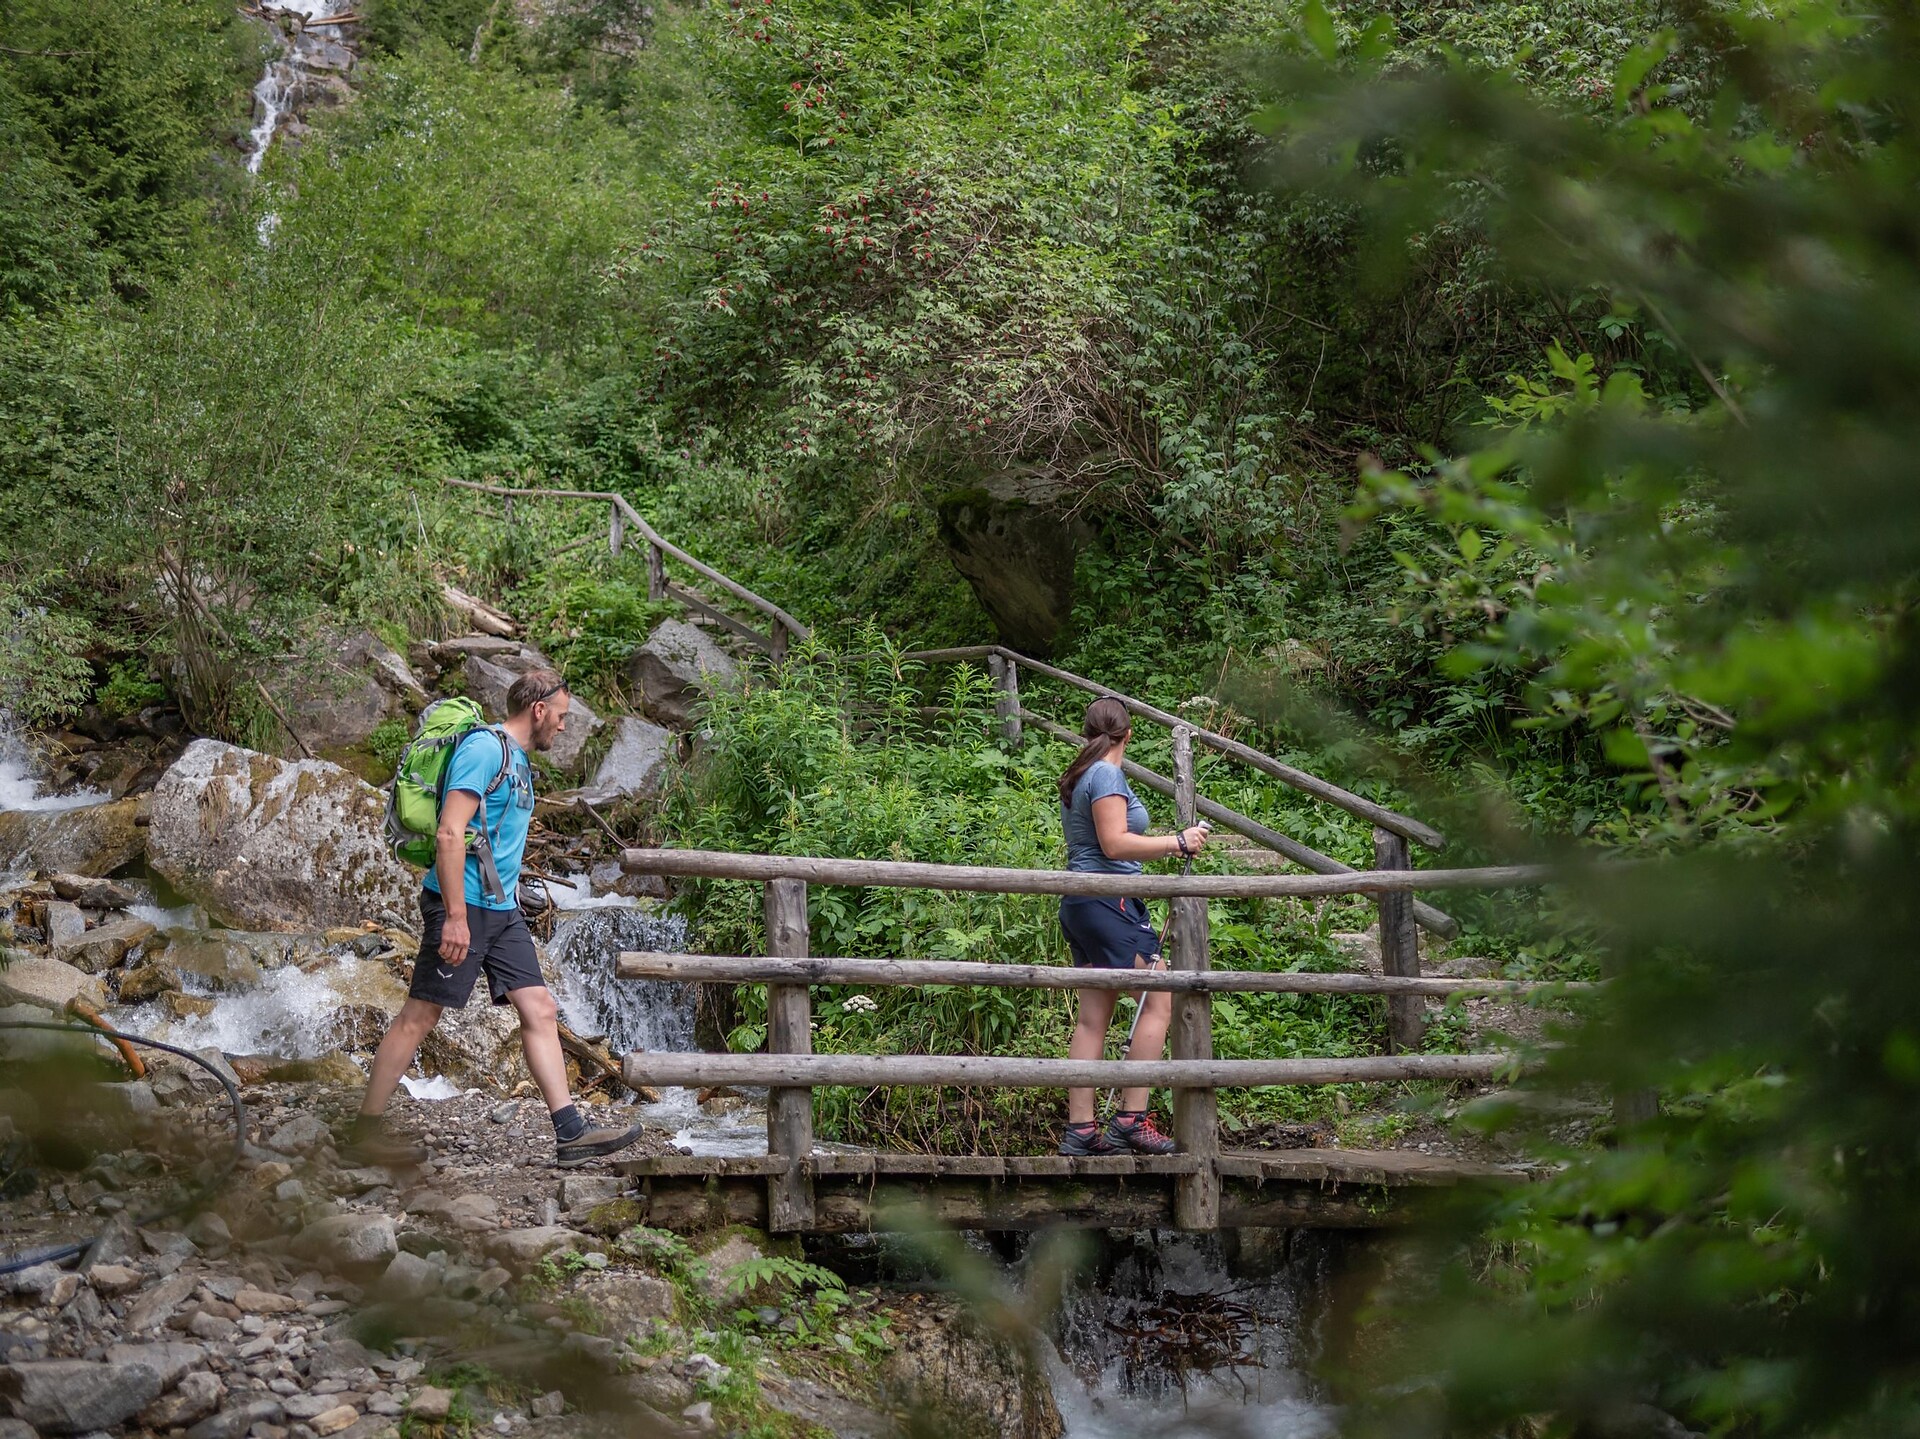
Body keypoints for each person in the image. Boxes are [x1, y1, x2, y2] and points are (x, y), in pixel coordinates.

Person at [344, 668, 645, 1169]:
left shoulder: (520, 763)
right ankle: (363, 1133)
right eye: (563, 717)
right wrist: (456, 918)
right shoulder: (485, 750)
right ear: (539, 709)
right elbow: (448, 833)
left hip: (501, 912)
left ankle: (569, 1131)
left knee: (540, 1008)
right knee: (420, 1017)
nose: (565, 728)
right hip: (461, 906)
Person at [1055, 696, 1208, 1156]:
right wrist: (1177, 842)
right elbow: (1115, 844)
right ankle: (1129, 1120)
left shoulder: (1083, 772)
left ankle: (1081, 1132)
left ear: (1087, 731)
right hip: (1107, 903)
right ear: (1130, 733)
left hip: (1086, 905)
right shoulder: (1105, 773)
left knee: (1093, 1017)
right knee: (1158, 1002)